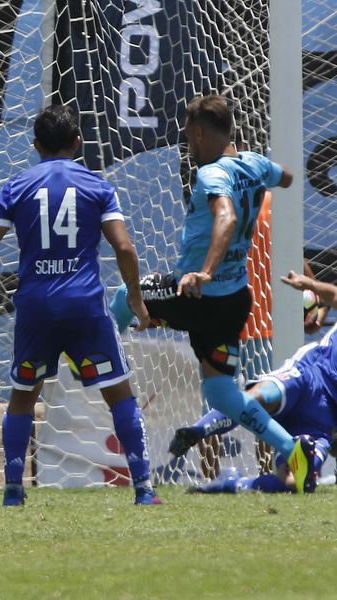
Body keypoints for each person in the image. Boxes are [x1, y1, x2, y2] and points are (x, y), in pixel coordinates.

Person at [108, 94, 319, 493]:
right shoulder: (254, 163)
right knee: (221, 391)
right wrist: (267, 179)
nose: (188, 146)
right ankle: (291, 449)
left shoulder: (211, 174)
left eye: (189, 137)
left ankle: (99, 362)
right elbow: (287, 176)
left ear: (201, 133)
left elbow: (227, 215)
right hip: (236, 300)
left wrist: (203, 272)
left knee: (125, 294)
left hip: (200, 296)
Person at [0, 104, 160, 506]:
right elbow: (124, 246)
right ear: (78, 142)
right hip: (85, 307)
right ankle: (143, 490)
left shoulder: (16, 187)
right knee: (119, 396)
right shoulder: (97, 186)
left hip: (36, 310)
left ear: (35, 145)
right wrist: (136, 300)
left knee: (22, 397)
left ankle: (13, 492)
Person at [169, 272, 337, 494]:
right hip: (309, 375)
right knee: (260, 397)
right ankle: (197, 431)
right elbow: (334, 295)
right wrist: (310, 285)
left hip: (322, 419)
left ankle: (231, 483)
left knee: (295, 482)